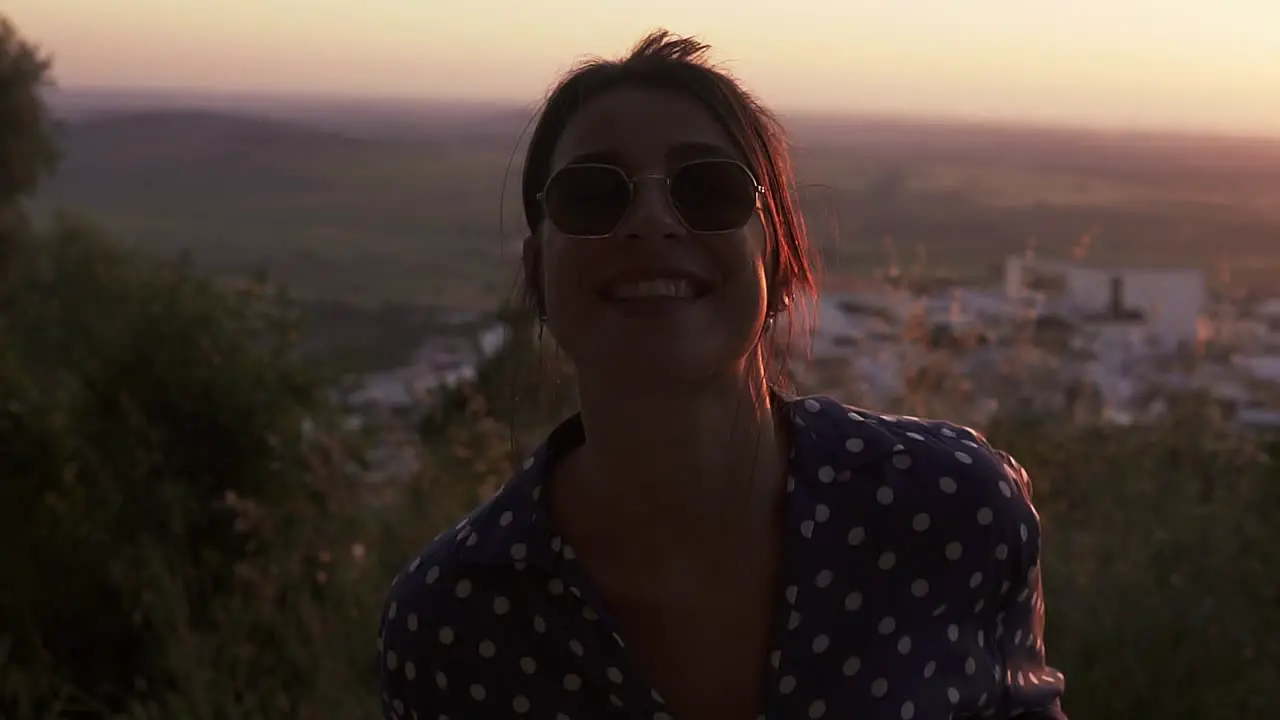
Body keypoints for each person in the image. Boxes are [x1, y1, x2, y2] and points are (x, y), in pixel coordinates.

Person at [378, 29, 1067, 720]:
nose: (651, 222)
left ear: (781, 256)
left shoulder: (944, 511)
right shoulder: (456, 620)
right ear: (537, 271)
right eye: (592, 196)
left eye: (708, 189)